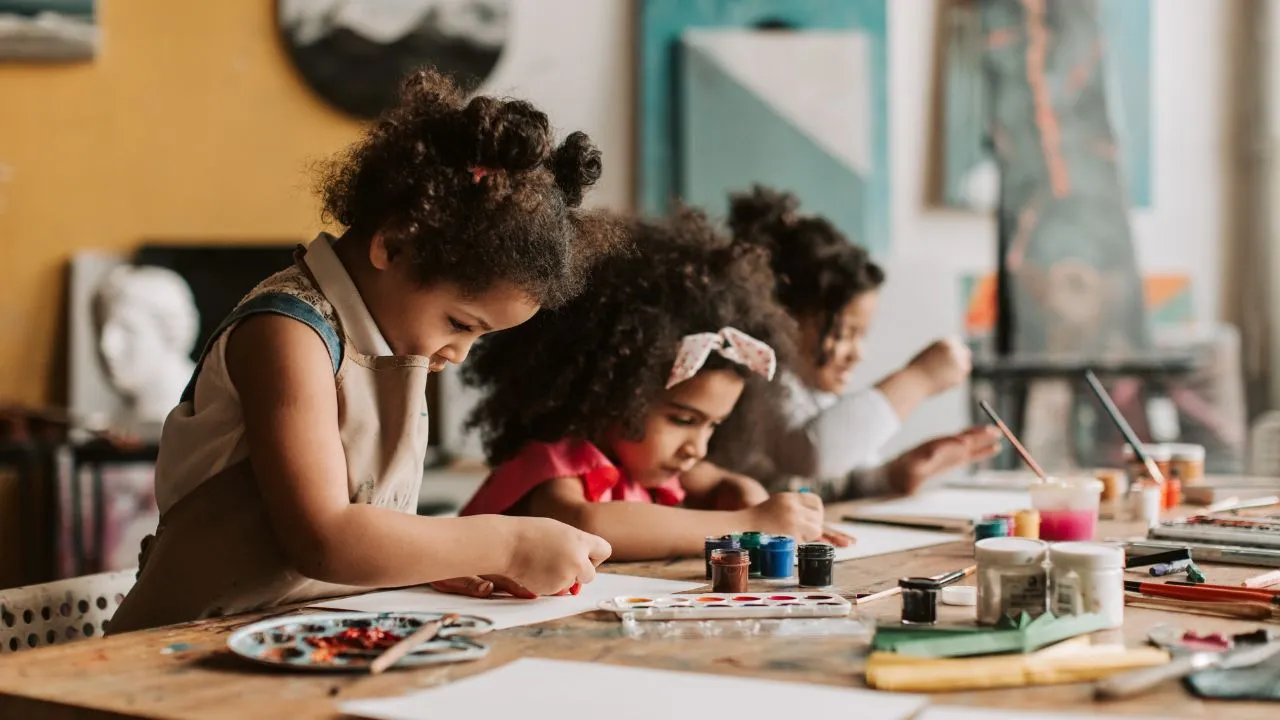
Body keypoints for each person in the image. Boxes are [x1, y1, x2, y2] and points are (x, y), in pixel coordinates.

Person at [108, 69, 619, 633]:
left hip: (291, 638)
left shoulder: (380, 347)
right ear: (394, 244)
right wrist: (506, 540)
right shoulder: (288, 335)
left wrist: (432, 566)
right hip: (176, 654)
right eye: (459, 323)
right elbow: (325, 539)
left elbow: (364, 532)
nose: (459, 354)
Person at [454, 209, 848, 563]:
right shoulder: (554, 463)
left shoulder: (642, 462)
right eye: (682, 419)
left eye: (712, 425)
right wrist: (746, 523)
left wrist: (748, 496)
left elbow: (720, 482)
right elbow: (587, 522)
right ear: (614, 393)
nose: (697, 447)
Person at [699, 186, 1000, 500]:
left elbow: (828, 481)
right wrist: (919, 379)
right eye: (843, 334)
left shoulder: (812, 391)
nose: (858, 354)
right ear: (781, 318)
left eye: (861, 336)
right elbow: (813, 454)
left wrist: (895, 474)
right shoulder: (758, 377)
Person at [93, 265, 199, 425]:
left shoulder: (206, 406)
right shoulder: (117, 423)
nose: (107, 347)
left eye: (127, 330)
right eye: (101, 329)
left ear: (169, 333)